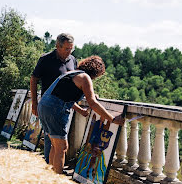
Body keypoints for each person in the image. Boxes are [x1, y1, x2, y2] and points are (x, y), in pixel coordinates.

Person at [38, 55, 125, 174]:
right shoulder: (85, 78)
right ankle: (56, 180)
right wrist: (112, 118)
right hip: (55, 110)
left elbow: (65, 95)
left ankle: (50, 176)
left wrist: (83, 104)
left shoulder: (72, 73)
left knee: (55, 146)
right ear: (96, 72)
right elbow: (93, 103)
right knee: (62, 148)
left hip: (44, 106)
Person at [30, 33, 87, 163]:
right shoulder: (45, 59)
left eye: (71, 48)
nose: (69, 52)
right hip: (49, 107)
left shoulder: (72, 60)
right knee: (52, 142)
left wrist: (88, 95)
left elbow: (72, 87)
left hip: (64, 108)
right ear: (57, 46)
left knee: (58, 144)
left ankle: (53, 171)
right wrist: (34, 103)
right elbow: (34, 79)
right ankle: (50, 173)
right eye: (67, 49)